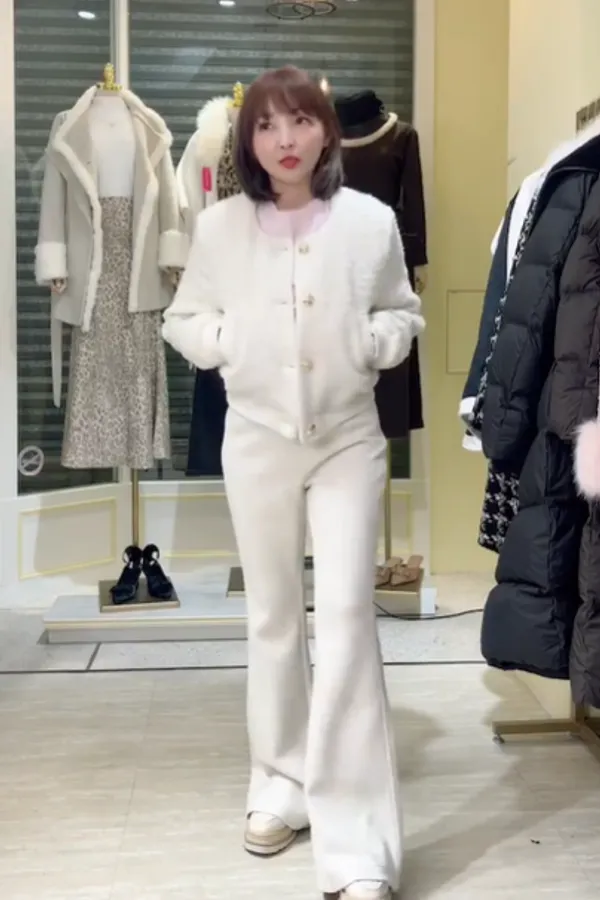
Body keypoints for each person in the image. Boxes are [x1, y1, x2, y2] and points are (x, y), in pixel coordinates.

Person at [163, 65, 425, 900]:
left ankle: (359, 844)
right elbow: (182, 319)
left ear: (325, 132)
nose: (285, 139)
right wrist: (230, 345)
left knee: (346, 618)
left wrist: (372, 344)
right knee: (274, 617)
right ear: (247, 140)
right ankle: (280, 782)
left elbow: (402, 312)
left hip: (348, 440)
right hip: (257, 441)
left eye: (301, 121)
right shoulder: (219, 229)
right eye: (267, 125)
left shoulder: (370, 222)